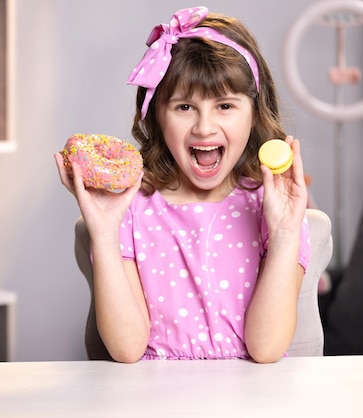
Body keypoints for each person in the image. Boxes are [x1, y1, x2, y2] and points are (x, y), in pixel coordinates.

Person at [55, 6, 310, 364]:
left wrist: (285, 234)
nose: (204, 127)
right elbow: (126, 349)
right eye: (184, 107)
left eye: (224, 105)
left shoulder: (274, 209)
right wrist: (105, 233)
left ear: (254, 113)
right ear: (156, 115)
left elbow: (266, 349)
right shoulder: (133, 209)